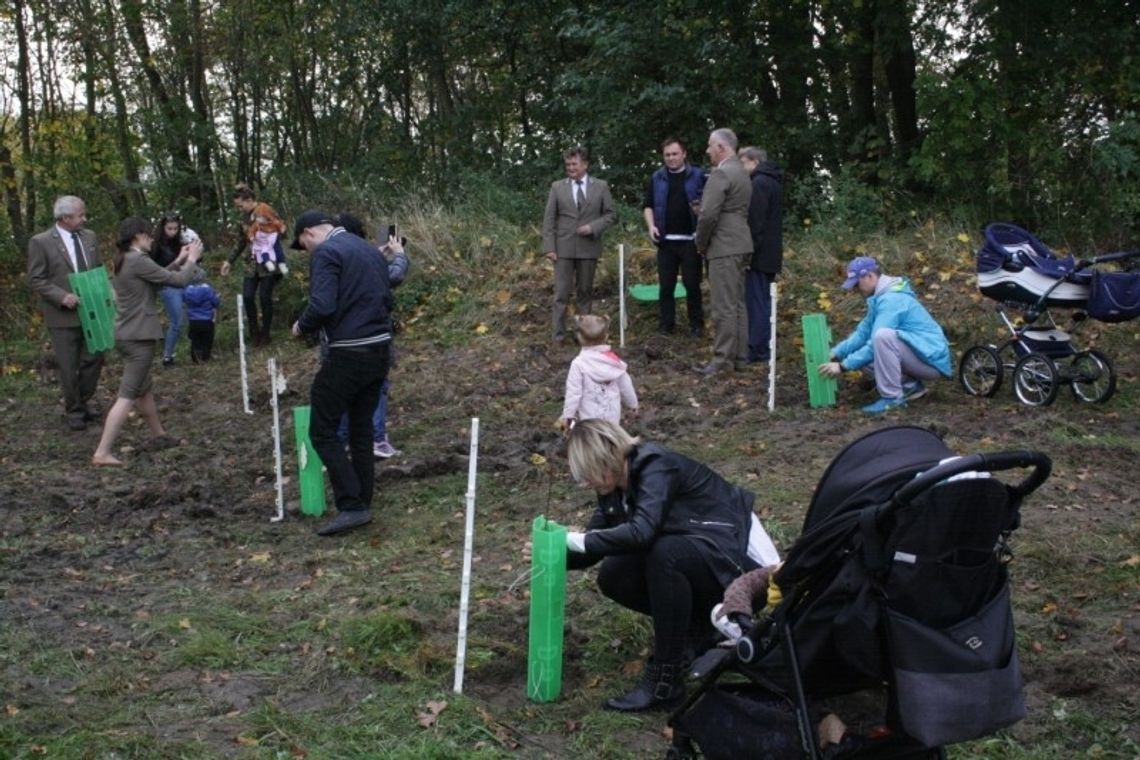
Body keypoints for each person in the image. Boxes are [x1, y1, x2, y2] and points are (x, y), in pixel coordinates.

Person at [564, 419, 779, 712]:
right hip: (705, 560)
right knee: (613, 573)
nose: (584, 483)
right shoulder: (613, 489)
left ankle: (665, 681)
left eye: (587, 473)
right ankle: (699, 629)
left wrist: (575, 540)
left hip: (745, 571)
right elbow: (592, 547)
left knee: (666, 554)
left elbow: (643, 531)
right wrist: (553, 550)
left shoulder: (656, 465)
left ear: (608, 456)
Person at [291, 211, 393, 536]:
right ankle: (362, 500)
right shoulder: (367, 249)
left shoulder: (326, 252)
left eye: (302, 245)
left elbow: (322, 305)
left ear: (308, 234)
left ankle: (350, 505)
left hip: (349, 351)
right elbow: (387, 297)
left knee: (322, 429)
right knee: (361, 429)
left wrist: (300, 326)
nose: (306, 251)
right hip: (380, 349)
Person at [92, 217, 203, 465]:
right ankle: (102, 451)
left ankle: (159, 435)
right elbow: (177, 281)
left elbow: (162, 275)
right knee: (128, 394)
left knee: (144, 390)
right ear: (136, 237)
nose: (152, 238)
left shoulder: (127, 260)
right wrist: (193, 259)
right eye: (148, 235)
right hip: (137, 335)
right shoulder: (136, 260)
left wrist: (179, 260)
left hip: (129, 333)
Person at [818, 256, 953, 414]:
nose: (856, 289)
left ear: (870, 276)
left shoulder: (891, 300)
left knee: (882, 337)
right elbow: (862, 334)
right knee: (869, 351)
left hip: (931, 361)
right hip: (918, 355)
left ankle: (892, 398)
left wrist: (842, 366)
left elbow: (876, 342)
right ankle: (910, 386)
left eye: (857, 284)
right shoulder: (880, 297)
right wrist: (836, 353)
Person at [26, 195, 107, 431]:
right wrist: (62, 296)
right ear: (65, 218)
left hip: (92, 308)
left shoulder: (89, 237)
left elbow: (98, 267)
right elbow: (35, 279)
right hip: (62, 315)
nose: (85, 219)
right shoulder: (40, 242)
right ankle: (74, 410)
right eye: (80, 215)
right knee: (68, 364)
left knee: (96, 355)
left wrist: (106, 287)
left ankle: (82, 399)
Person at [334, 212, 408, 459]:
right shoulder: (363, 259)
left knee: (344, 388)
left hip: (339, 339)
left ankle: (345, 441)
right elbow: (392, 277)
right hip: (371, 336)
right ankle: (375, 438)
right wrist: (399, 255)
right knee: (377, 385)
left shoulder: (331, 257)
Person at [542, 146, 616, 344]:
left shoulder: (600, 186)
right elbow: (549, 219)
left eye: (574, 164)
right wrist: (549, 247)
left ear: (585, 165)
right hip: (563, 249)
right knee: (561, 294)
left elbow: (610, 215)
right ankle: (558, 337)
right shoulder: (557, 187)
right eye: (568, 164)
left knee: (585, 293)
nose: (570, 167)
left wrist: (593, 227)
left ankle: (584, 337)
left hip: (588, 248)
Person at [694, 128, 752, 376]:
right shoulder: (742, 172)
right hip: (741, 242)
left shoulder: (721, 174)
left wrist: (701, 242)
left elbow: (708, 215)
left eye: (710, 146)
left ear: (721, 148)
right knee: (738, 303)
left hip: (723, 245)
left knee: (723, 305)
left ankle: (721, 360)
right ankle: (739, 356)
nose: (707, 151)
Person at [642, 137, 707, 337]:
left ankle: (696, 325)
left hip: (691, 240)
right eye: (667, 155)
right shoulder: (657, 178)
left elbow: (709, 205)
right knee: (666, 285)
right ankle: (666, 325)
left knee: (692, 284)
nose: (671, 158)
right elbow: (648, 205)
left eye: (675, 154)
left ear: (684, 154)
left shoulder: (699, 175)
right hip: (666, 241)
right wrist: (651, 226)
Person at [221, 184, 283, 346]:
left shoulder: (266, 210)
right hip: (251, 263)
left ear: (249, 200)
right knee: (248, 297)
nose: (240, 209)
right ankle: (254, 333)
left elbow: (281, 231)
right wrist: (229, 261)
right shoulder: (243, 218)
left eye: (240, 205)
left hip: (268, 261)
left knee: (264, 297)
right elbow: (241, 241)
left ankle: (266, 334)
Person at [739, 146, 783, 363]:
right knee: (764, 300)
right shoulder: (773, 181)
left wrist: (748, 253)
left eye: (743, 162)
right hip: (771, 253)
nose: (740, 167)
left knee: (756, 301)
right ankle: (763, 346)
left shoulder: (758, 184)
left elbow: (755, 222)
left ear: (754, 162)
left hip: (759, 254)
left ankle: (757, 349)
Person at [560, 314, 638, 430]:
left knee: (592, 443)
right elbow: (626, 385)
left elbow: (573, 392)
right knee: (611, 441)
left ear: (579, 338)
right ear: (606, 336)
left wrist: (568, 416)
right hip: (612, 417)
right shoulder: (614, 362)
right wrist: (633, 405)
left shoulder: (578, 364)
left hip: (589, 419)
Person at [152, 212, 204, 367]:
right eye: (169, 228)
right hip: (168, 285)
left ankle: (198, 351)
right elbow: (155, 270)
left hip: (184, 280)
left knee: (196, 315)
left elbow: (194, 262)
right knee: (177, 320)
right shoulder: (156, 245)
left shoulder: (181, 240)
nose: (172, 232)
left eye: (175, 228)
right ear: (163, 228)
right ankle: (167, 356)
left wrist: (195, 253)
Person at [183, 270, 222, 362]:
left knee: (195, 340)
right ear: (204, 278)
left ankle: (195, 357)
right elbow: (215, 302)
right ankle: (205, 356)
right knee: (207, 340)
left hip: (193, 320)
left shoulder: (187, 290)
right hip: (206, 320)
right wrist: (217, 298)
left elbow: (185, 301)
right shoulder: (208, 290)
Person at [248, 202, 289, 274]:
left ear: (266, 216)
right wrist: (251, 236)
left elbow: (281, 225)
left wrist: (282, 229)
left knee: (278, 250)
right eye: (256, 217)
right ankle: (267, 262)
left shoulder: (274, 222)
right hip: (264, 240)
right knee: (263, 250)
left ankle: (282, 264)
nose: (257, 219)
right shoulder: (257, 224)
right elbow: (252, 230)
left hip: (274, 238)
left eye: (259, 217)